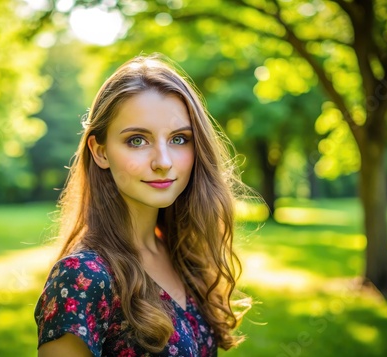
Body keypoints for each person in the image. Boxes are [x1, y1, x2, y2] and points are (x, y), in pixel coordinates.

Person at [34, 53, 251, 357]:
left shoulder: (182, 254)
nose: (163, 162)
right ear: (100, 152)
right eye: (137, 140)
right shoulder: (84, 277)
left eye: (179, 139)